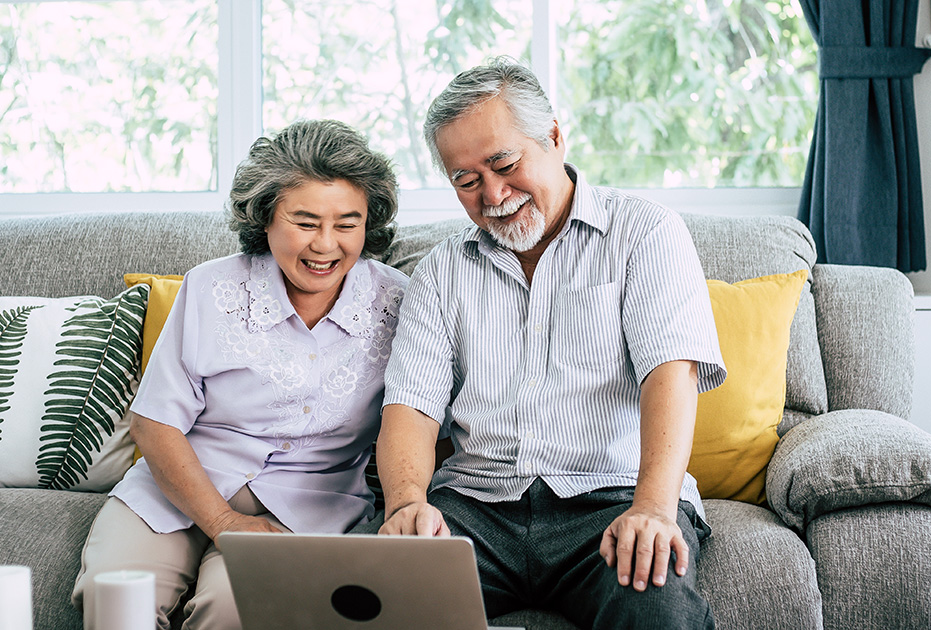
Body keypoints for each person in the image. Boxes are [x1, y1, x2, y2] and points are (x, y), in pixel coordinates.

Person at [374, 57, 727, 629]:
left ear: (555, 138)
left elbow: (672, 373)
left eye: (504, 163)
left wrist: (655, 509)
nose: (493, 193)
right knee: (376, 603)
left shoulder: (645, 232)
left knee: (654, 607)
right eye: (466, 180)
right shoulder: (442, 270)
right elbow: (410, 405)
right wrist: (408, 503)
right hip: (476, 510)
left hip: (610, 500)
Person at [72, 119, 408, 630]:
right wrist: (224, 521)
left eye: (347, 223)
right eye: (305, 221)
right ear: (266, 217)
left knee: (234, 610)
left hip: (307, 509)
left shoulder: (400, 303)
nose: (325, 245)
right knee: (114, 599)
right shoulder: (211, 288)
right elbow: (153, 422)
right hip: (178, 485)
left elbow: (426, 424)